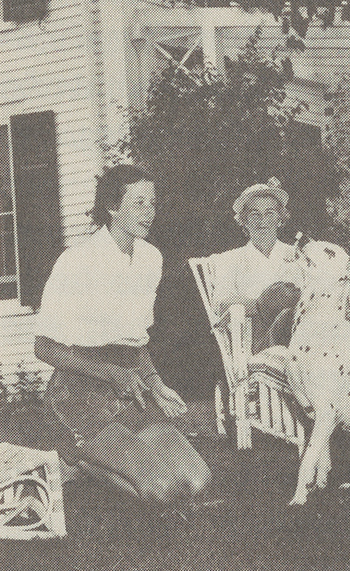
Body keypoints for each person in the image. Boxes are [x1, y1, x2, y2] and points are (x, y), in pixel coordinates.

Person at [35, 165, 212, 504]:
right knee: (161, 489)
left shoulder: (150, 259)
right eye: (139, 203)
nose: (149, 212)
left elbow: (137, 340)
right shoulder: (78, 261)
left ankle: (87, 464)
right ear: (113, 207)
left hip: (133, 391)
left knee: (196, 480)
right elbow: (43, 347)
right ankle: (81, 460)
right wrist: (113, 373)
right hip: (79, 393)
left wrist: (157, 386)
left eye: (153, 203)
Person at [211, 178, 303, 351]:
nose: (262, 220)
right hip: (255, 345)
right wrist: (265, 304)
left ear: (280, 219)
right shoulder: (230, 259)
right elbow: (222, 305)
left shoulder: (296, 255)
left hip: (301, 340)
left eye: (270, 213)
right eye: (254, 214)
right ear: (244, 221)